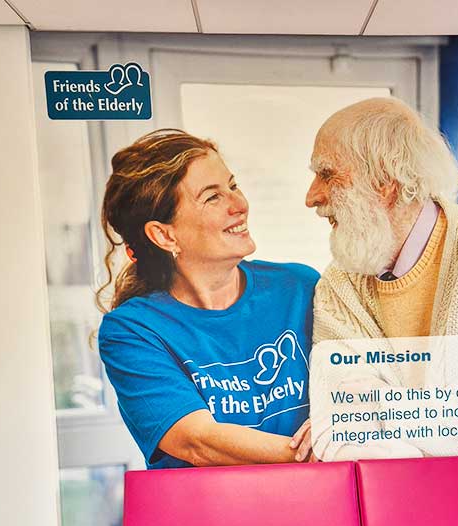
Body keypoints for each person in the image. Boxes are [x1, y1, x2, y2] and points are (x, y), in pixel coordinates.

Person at [304, 97, 458, 461]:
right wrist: (448, 423)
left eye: (327, 174)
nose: (312, 197)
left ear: (385, 182)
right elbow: (338, 434)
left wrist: (382, 406)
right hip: (391, 506)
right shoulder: (337, 285)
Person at [97, 129, 317, 469]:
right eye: (212, 197)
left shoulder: (300, 288)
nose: (239, 205)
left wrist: (345, 428)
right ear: (164, 235)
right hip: (208, 518)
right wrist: (323, 448)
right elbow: (196, 441)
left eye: (233, 186)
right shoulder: (132, 330)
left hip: (316, 507)